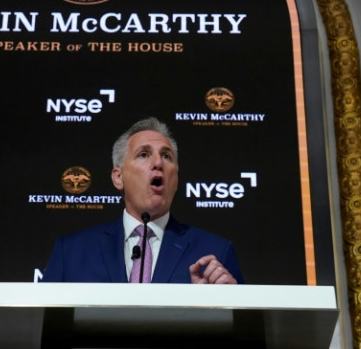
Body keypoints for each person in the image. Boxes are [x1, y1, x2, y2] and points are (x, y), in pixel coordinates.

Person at [42, 117, 243, 284]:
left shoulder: (215, 253)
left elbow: (242, 327)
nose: (158, 163)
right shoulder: (71, 252)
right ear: (118, 177)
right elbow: (48, 324)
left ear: (176, 179)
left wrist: (228, 301)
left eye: (166, 156)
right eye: (144, 154)